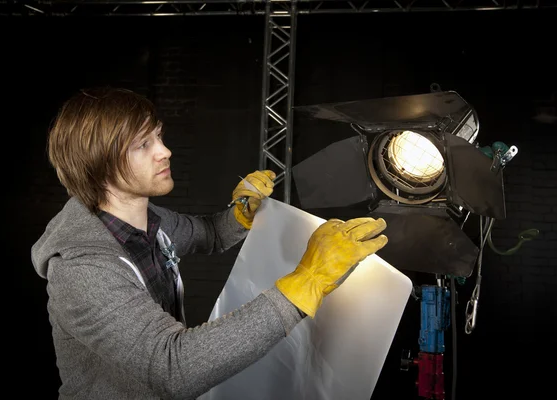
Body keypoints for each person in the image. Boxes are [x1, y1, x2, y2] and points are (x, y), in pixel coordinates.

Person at [31, 87, 389, 400]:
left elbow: (211, 235)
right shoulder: (81, 268)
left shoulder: (147, 219)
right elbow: (175, 368)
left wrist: (241, 214)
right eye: (144, 144)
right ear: (100, 164)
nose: (165, 151)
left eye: (158, 136)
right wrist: (307, 280)